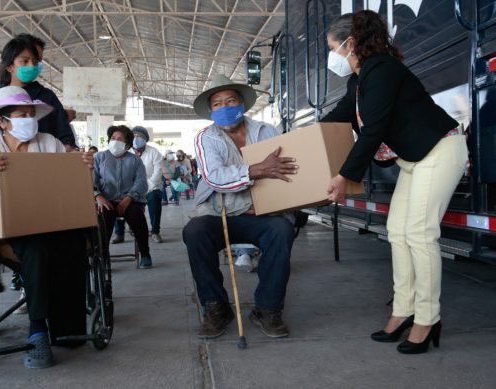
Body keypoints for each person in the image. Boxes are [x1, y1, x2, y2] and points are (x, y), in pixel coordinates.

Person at [322, 11, 468, 354]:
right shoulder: (358, 80)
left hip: (440, 149)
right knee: (398, 231)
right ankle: (404, 310)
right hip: (415, 158)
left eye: (333, 48)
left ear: (351, 43)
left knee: (420, 234)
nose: (333, 57)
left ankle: (428, 317)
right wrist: (298, 139)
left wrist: (345, 176)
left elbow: (374, 129)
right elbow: (337, 117)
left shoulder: (383, 69)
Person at [0, 85, 94, 368]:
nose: (29, 119)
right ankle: (38, 328)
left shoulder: (50, 142)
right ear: (3, 121)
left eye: (31, 113)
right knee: (36, 246)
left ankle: (67, 326)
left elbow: (73, 178)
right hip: (9, 233)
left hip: (54, 223)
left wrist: (83, 165)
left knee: (75, 240)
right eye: (21, 114)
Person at [182, 74, 298, 339]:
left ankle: (268, 308)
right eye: (217, 104)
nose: (224, 108)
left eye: (230, 101)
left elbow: (284, 170)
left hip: (260, 212)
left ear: (242, 104)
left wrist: (275, 205)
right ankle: (215, 306)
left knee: (281, 230)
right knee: (195, 232)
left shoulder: (266, 131)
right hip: (218, 212)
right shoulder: (206, 138)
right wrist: (258, 169)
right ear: (211, 111)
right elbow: (215, 177)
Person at [0, 35, 76, 150]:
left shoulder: (47, 96)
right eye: (25, 61)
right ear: (10, 66)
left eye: (35, 62)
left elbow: (64, 132)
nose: (31, 66)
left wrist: (68, 150)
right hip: (3, 161)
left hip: (42, 160)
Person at [94, 125, 153, 268]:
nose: (115, 141)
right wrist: (98, 196)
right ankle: (103, 256)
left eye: (119, 139)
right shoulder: (100, 157)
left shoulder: (135, 160)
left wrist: (128, 199)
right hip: (105, 199)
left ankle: (145, 253)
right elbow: (92, 180)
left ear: (127, 144)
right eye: (113, 138)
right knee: (103, 217)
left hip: (130, 200)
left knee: (137, 216)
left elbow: (141, 183)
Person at [113, 126, 164, 244]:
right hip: (130, 189)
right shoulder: (125, 152)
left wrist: (144, 189)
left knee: (155, 197)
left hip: (150, 187)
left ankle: (155, 231)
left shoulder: (154, 152)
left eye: (139, 136)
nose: (136, 138)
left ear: (145, 139)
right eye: (134, 136)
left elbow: (157, 172)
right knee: (117, 198)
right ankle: (119, 234)